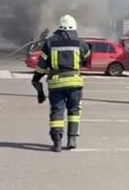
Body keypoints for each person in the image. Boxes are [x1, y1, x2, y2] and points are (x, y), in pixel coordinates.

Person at [31, 15, 91, 153]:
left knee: (57, 111)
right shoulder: (80, 42)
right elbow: (87, 58)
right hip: (74, 82)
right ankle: (72, 140)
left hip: (56, 83)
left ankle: (57, 142)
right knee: (74, 111)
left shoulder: (49, 43)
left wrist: (36, 79)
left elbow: (41, 66)